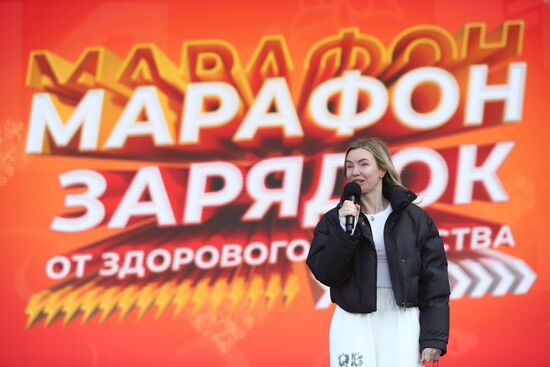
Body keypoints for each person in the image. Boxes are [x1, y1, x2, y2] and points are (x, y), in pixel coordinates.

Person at [307, 138, 450, 367]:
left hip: (402, 317)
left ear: (382, 168)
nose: (355, 172)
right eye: (350, 165)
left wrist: (434, 337)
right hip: (353, 318)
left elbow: (435, 281)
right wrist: (345, 231)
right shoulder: (335, 220)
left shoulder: (414, 218)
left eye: (364, 164)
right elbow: (327, 274)